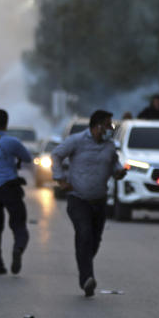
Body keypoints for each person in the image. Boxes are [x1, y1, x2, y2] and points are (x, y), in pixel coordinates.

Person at [50, 110, 126, 297]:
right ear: (97, 125)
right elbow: (56, 155)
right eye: (108, 125)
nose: (110, 129)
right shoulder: (76, 140)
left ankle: (84, 265)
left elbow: (115, 166)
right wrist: (60, 179)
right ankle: (86, 279)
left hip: (99, 201)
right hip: (78, 199)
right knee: (84, 234)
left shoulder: (110, 147)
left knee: (94, 241)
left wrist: (120, 172)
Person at [0, 109, 32, 274]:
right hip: (9, 187)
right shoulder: (11, 142)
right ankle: (18, 247)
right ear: (6, 123)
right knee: (18, 223)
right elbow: (28, 158)